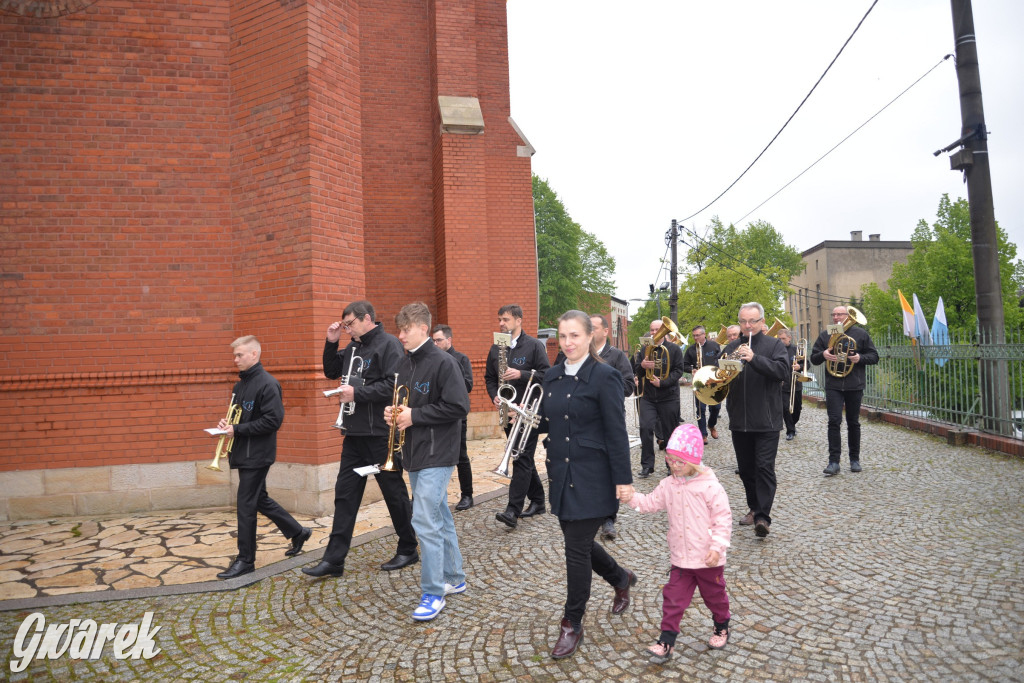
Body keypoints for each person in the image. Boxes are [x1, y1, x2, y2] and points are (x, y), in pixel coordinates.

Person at [539, 310, 638, 659]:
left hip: (594, 477)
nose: (567, 343)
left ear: (590, 337)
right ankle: (621, 578)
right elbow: (550, 421)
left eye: (575, 336)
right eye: (562, 337)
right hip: (562, 476)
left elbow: (615, 432)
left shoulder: (605, 376)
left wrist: (624, 481)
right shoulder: (551, 377)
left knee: (575, 549)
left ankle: (572, 622)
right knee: (576, 542)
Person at [303, 301, 418, 579]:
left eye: (350, 324)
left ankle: (408, 546)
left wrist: (358, 393)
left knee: (393, 494)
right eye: (344, 326)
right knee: (345, 496)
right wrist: (331, 343)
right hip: (354, 434)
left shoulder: (388, 344)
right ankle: (334, 560)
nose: (347, 329)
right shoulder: (353, 347)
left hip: (380, 434)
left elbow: (394, 385)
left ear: (367, 318)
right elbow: (332, 371)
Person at [385, 302, 471, 621]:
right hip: (415, 453)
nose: (400, 335)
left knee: (422, 518)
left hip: (439, 453)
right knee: (439, 514)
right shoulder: (405, 364)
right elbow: (407, 405)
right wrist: (395, 414)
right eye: (399, 330)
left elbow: (459, 407)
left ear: (423, 328)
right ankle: (455, 578)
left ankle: (433, 592)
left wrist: (414, 415)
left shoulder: (444, 363)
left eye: (405, 330)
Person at [621, 424, 732, 662]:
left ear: (693, 461)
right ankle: (667, 641)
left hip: (707, 560)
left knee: (715, 596)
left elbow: (723, 519)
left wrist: (717, 548)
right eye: (670, 460)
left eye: (679, 461)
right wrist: (631, 499)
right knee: (673, 600)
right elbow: (650, 503)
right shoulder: (668, 485)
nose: (673, 465)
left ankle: (722, 625)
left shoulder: (711, 487)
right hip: (681, 559)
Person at [214, 336, 311, 579]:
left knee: (245, 504)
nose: (235, 359)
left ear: (254, 354)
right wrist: (228, 423)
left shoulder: (268, 384)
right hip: (244, 451)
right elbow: (241, 417)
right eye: (234, 355)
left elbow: (273, 421)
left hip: (257, 455)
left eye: (239, 355)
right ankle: (298, 532)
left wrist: (238, 429)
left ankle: (246, 560)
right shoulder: (240, 385)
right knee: (259, 499)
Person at [720, 302, 790, 538]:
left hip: (767, 420)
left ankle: (763, 517)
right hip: (739, 419)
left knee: (764, 468)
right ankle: (753, 507)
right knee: (747, 470)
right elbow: (720, 380)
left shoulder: (774, 345)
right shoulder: (730, 347)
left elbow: (782, 371)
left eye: (752, 321)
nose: (747, 326)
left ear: (761, 322)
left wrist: (754, 358)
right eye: (743, 321)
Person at [485, 304, 550, 529]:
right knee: (523, 456)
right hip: (507, 411)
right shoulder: (496, 348)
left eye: (506, 319)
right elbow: (489, 378)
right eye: (499, 319)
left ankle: (513, 510)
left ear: (519, 320)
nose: (501, 323)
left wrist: (521, 374)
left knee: (520, 458)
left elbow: (546, 375)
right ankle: (539, 501)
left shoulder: (533, 346)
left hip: (528, 411)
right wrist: (494, 396)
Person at [810, 305, 879, 475]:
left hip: (854, 384)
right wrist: (823, 355)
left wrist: (859, 358)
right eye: (833, 314)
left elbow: (874, 356)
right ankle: (834, 462)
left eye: (839, 314)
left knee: (853, 422)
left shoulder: (861, 334)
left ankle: (854, 459)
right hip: (833, 384)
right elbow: (814, 358)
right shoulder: (826, 335)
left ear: (847, 316)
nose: (836, 317)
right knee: (834, 421)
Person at [632, 319, 685, 478]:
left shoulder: (674, 349)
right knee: (645, 428)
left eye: (657, 329)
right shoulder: (645, 349)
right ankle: (647, 466)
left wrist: (662, 383)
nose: (654, 333)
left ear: (665, 331)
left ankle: (671, 465)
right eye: (652, 330)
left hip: (668, 397)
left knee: (670, 431)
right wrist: (642, 366)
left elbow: (678, 371)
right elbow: (637, 372)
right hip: (649, 397)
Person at [431, 324, 475, 511]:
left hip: (456, 417)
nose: (435, 343)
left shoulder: (460, 359)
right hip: (436, 414)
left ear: (449, 340)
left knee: (461, 456)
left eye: (439, 340)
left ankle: (467, 495)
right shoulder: (432, 360)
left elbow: (468, 386)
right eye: (433, 340)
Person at [682, 325, 721, 446]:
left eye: (698, 335)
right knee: (700, 409)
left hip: (713, 381)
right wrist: (692, 370)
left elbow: (720, 360)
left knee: (715, 408)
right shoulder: (690, 350)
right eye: (694, 335)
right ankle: (703, 434)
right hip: (699, 383)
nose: (695, 338)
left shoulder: (714, 346)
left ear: (704, 334)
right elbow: (684, 365)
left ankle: (711, 425)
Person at [777, 329, 803, 441]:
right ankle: (790, 430)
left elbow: (807, 363)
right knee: (786, 408)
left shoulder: (796, 349)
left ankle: (792, 423)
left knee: (797, 409)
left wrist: (799, 367)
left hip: (796, 383)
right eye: (779, 339)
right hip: (782, 385)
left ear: (789, 338)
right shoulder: (776, 350)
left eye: (783, 338)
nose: (781, 341)